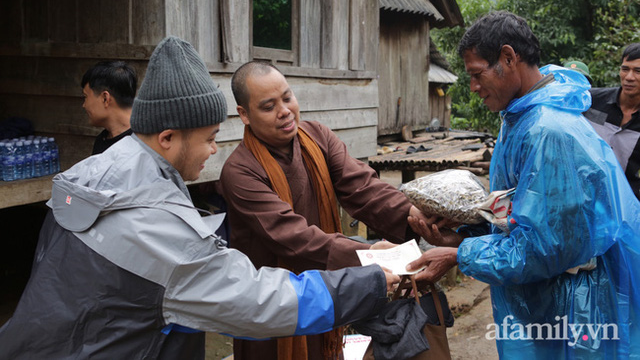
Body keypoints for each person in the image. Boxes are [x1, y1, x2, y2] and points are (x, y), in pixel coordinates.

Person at [0, 37, 400, 359]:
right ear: (168, 137)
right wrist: (368, 282)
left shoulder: (85, 176)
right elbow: (257, 301)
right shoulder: (166, 225)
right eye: (209, 139)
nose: (214, 150)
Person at [406, 11, 640, 358]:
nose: (473, 87)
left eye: (476, 74)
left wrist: (460, 254)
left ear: (508, 58)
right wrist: (467, 236)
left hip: (575, 310)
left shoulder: (549, 132)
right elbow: (522, 215)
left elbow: (547, 248)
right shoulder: (521, 116)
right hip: (545, 299)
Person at [219, 61, 430, 360]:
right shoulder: (239, 171)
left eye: (287, 97)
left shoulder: (317, 137)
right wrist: (366, 254)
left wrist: (412, 213)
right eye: (268, 106)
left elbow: (363, 187)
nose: (284, 111)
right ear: (244, 114)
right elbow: (292, 236)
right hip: (274, 301)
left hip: (327, 292)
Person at [583, 43, 640, 200]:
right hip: (583, 195)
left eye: (638, 71)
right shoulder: (591, 100)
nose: (629, 77)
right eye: (625, 69)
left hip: (625, 205)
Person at [81, 60, 137, 154]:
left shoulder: (144, 144)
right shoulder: (102, 140)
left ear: (105, 99)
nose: (84, 105)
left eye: (85, 97)